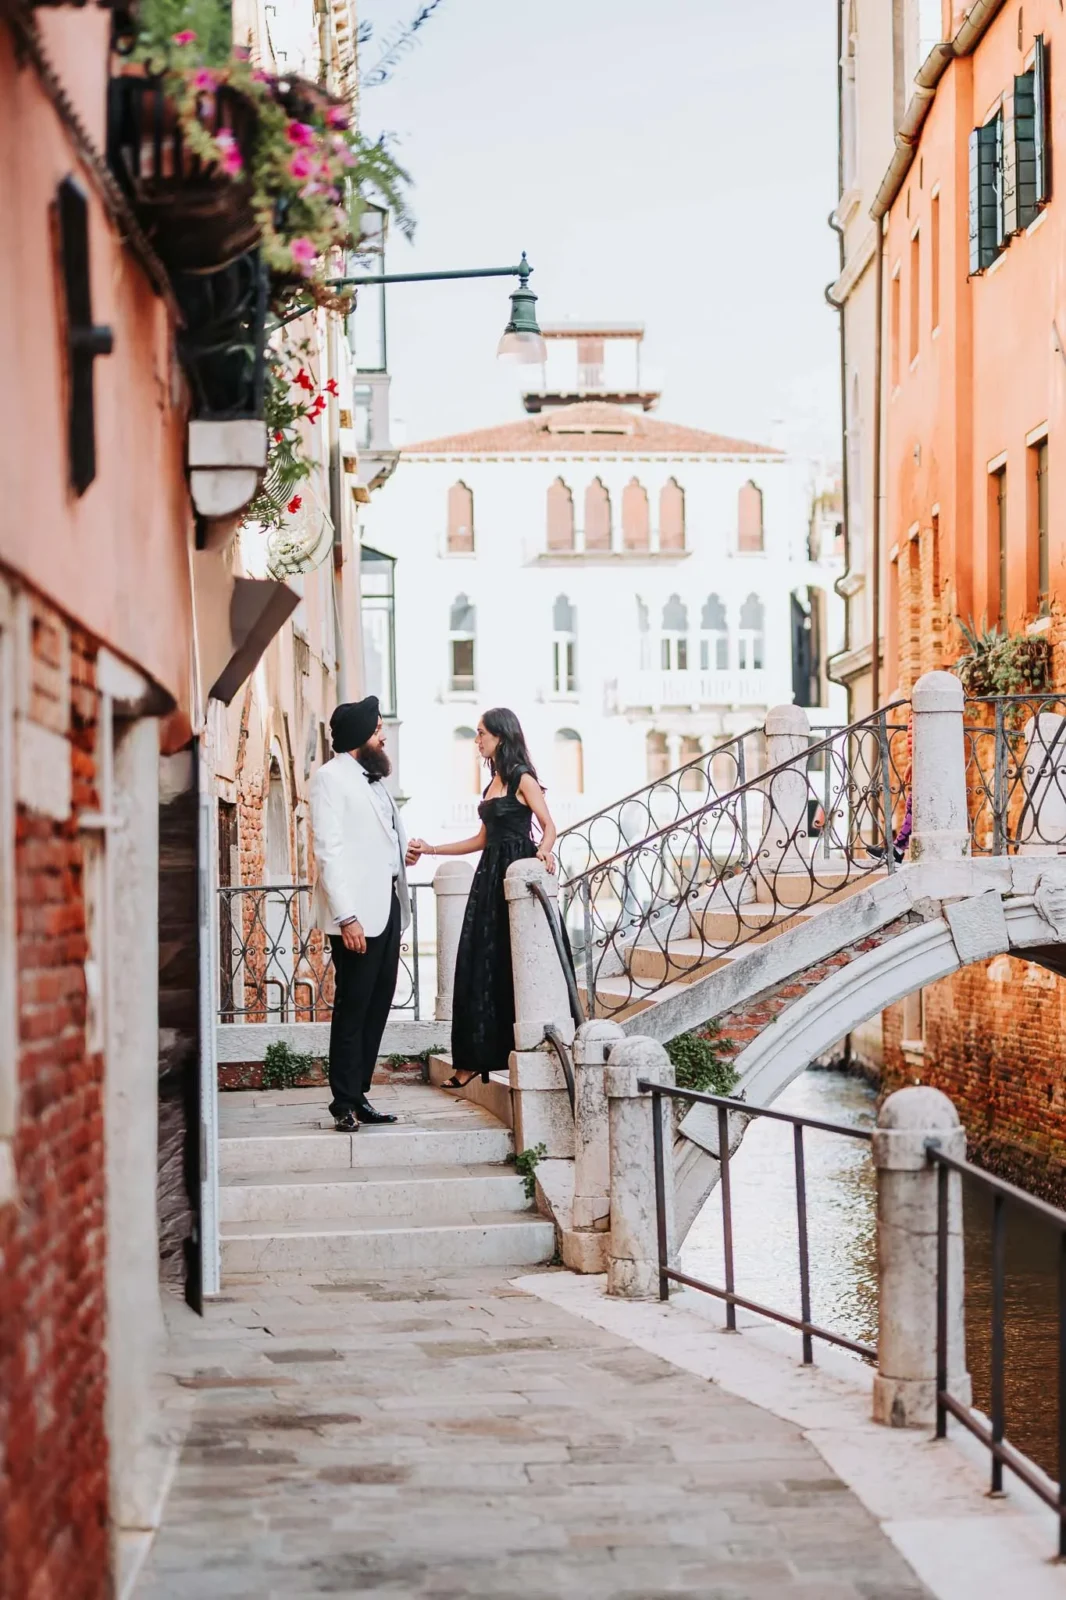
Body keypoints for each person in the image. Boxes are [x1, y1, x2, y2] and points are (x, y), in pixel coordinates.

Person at [408, 708, 559, 1087]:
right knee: (477, 965)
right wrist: (432, 850)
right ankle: (472, 1059)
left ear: (500, 737)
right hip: (489, 874)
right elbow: (480, 840)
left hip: (516, 870)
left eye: (481, 734)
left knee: (510, 964)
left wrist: (545, 850)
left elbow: (549, 825)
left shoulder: (523, 777)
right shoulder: (492, 782)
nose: (477, 741)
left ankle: (504, 1053)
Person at [309, 695, 420, 1132]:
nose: (384, 735)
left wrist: (400, 854)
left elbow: (376, 838)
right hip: (355, 916)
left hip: (388, 907)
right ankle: (343, 1104)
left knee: (378, 1003)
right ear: (360, 738)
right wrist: (346, 917)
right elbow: (328, 852)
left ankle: (360, 1093)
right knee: (353, 1006)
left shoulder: (373, 779)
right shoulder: (329, 779)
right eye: (378, 731)